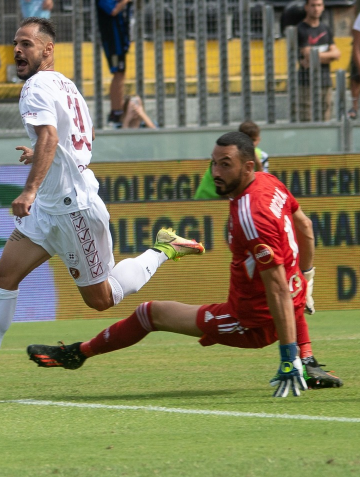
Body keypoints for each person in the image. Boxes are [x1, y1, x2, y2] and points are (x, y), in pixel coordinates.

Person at [0, 17, 206, 393]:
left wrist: (29, 189)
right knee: (3, 277)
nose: (17, 51)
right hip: (50, 207)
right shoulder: (66, 84)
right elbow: (79, 136)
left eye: (26, 44)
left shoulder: (34, 88)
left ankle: (164, 249)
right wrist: (46, 156)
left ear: (48, 50)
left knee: (101, 299)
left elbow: (51, 134)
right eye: (15, 44)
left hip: (73, 207)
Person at [26, 132, 342, 396]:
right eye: (213, 164)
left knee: (149, 314)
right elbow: (306, 228)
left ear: (248, 167)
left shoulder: (251, 215)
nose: (215, 172)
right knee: (287, 288)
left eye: (225, 165)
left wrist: (287, 357)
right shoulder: (269, 182)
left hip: (252, 320)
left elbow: (276, 292)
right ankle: (309, 360)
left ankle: (76, 354)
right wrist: (308, 278)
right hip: (294, 296)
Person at [95, 0, 132, 127]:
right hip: (112, 40)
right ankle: (116, 112)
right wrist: (125, 1)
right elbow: (113, 10)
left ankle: (117, 110)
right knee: (117, 74)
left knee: (121, 74)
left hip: (120, 39)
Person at [195, 120, 267, 199]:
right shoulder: (224, 155)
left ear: (259, 139)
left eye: (253, 140)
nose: (250, 144)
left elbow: (262, 185)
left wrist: (258, 164)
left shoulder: (262, 156)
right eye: (246, 139)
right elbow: (227, 192)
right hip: (207, 203)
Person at [296, 0, 339, 123]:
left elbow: (337, 54)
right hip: (306, 82)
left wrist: (315, 57)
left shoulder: (326, 28)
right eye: (313, 5)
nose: (316, 8)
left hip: (325, 81)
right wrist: (328, 56)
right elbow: (308, 54)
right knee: (307, 119)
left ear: (323, 6)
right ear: (306, 7)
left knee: (325, 117)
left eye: (319, 5)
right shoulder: (300, 29)